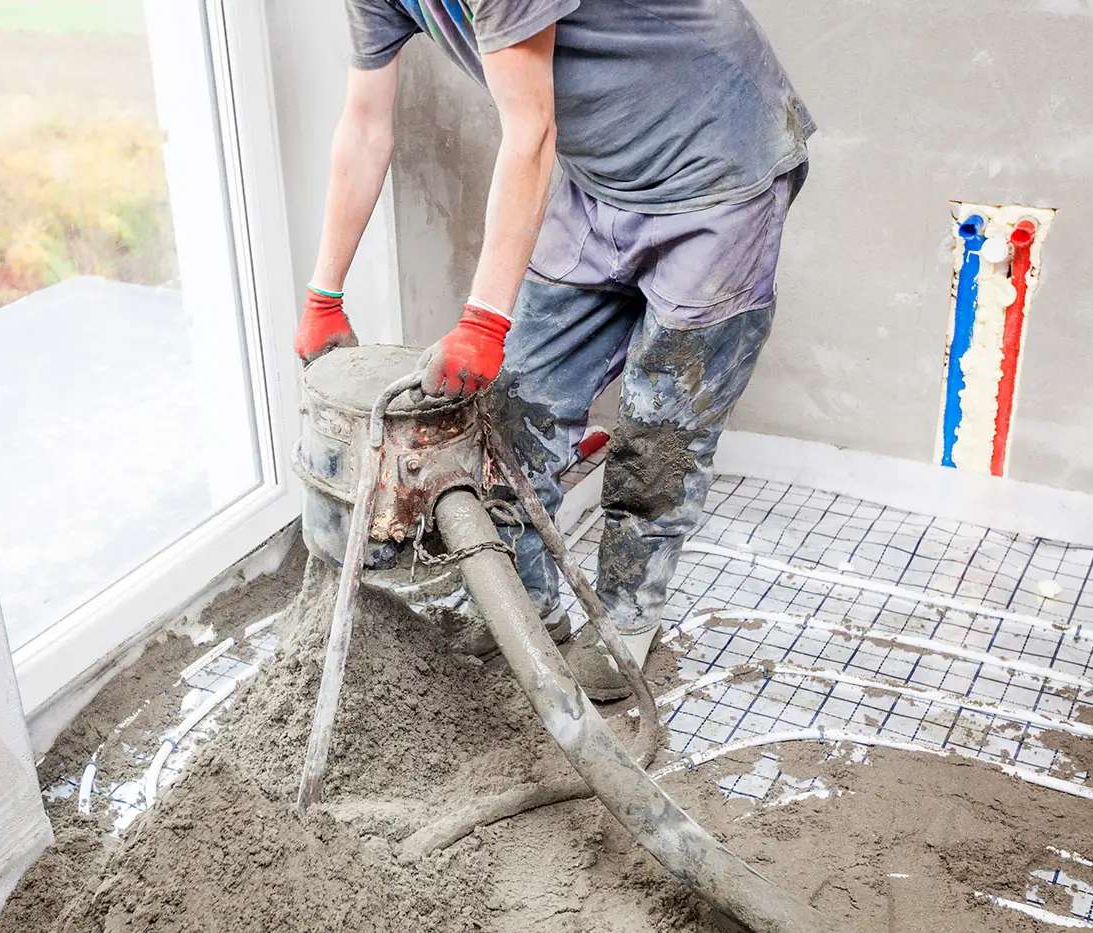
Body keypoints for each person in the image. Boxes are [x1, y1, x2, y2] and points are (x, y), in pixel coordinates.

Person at [294, 0, 813, 701]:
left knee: (660, 434)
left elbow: (530, 130)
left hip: (717, 160)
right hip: (600, 178)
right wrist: (324, 293)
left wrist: (483, 320)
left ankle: (623, 625)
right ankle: (523, 607)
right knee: (514, 407)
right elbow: (362, 127)